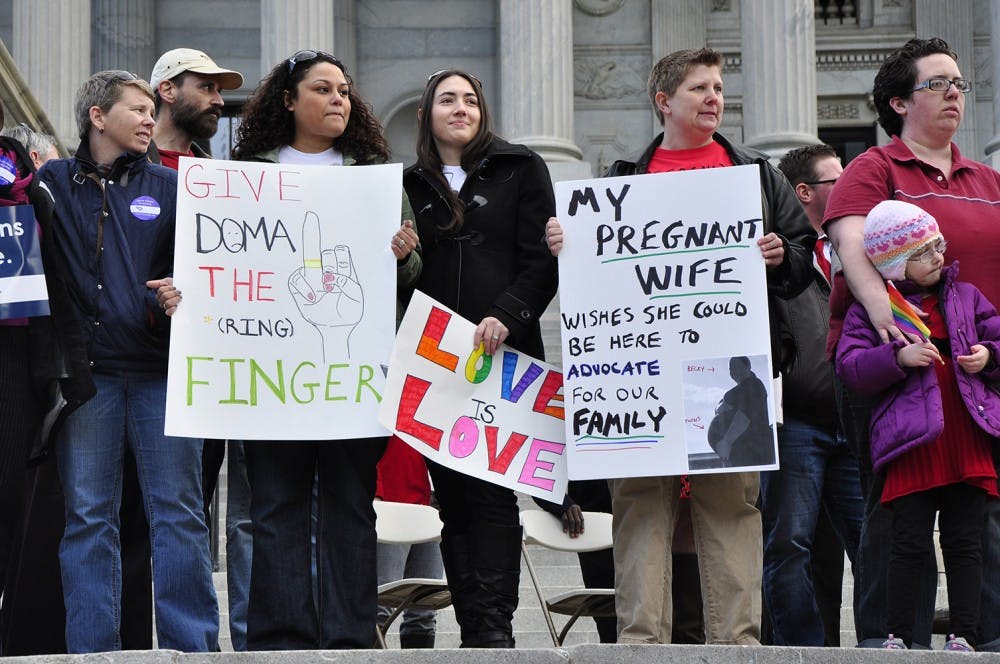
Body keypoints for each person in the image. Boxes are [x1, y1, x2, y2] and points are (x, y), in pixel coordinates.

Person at [545, 47, 815, 645]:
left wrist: (780, 255)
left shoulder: (759, 176)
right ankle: (641, 644)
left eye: (718, 87)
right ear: (665, 101)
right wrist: (566, 240)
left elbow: (803, 260)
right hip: (638, 373)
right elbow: (591, 275)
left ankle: (738, 644)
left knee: (731, 510)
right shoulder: (619, 183)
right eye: (700, 88)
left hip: (727, 374)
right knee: (640, 507)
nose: (715, 97)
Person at [214, 50, 420, 650]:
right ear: (288, 99)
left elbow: (409, 278)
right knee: (274, 508)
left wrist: (405, 252)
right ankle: (281, 642)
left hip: (354, 376)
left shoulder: (376, 173)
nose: (339, 100)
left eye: (345, 91)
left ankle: (351, 637)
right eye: (324, 89)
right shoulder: (247, 172)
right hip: (271, 379)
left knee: (350, 508)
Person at [823, 37, 1000, 651]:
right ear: (899, 101)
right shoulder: (873, 169)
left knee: (981, 518)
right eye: (937, 83)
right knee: (897, 517)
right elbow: (851, 249)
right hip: (894, 367)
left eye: (959, 83)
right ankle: (890, 641)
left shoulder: (986, 178)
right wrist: (895, 328)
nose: (955, 92)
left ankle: (980, 640)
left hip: (979, 370)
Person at [36, 70, 218, 653]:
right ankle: (94, 652)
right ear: (96, 116)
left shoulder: (172, 186)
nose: (148, 119)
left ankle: (192, 647)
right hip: (87, 380)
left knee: (180, 515)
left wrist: (179, 296)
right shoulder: (51, 184)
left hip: (161, 374)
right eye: (136, 109)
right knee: (89, 518)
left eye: (150, 109)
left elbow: (204, 276)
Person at [402, 69, 558, 648]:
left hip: (505, 359)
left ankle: (493, 631)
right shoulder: (408, 184)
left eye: (470, 99)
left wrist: (508, 313)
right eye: (447, 99)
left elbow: (542, 258)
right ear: (426, 114)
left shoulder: (521, 167)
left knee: (492, 493)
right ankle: (472, 626)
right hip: (435, 364)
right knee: (453, 498)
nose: (461, 108)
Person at [837, 200, 999, 651]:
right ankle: (900, 635)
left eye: (938, 245)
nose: (937, 256)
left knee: (966, 543)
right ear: (894, 262)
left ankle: (965, 634)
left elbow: (998, 336)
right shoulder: (875, 309)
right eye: (924, 250)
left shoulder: (965, 296)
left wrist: (989, 355)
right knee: (907, 542)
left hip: (965, 437)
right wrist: (897, 356)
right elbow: (850, 366)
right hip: (911, 442)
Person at [148, 46, 250, 651]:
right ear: (167, 91)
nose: (218, 100)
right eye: (206, 87)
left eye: (220, 91)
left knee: (198, 508)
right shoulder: (131, 167)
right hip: (146, 367)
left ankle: (202, 642)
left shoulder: (222, 178)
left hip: (220, 365)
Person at [761, 144, 863, 646]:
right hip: (796, 421)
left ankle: (878, 644)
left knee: (873, 543)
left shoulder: (856, 246)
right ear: (803, 192)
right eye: (835, 180)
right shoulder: (773, 259)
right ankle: (801, 651)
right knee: (790, 544)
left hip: (855, 421)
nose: (848, 186)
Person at [375, 436, 443, 648]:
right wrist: (376, 488)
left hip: (437, 499)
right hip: (394, 493)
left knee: (424, 610)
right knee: (379, 606)